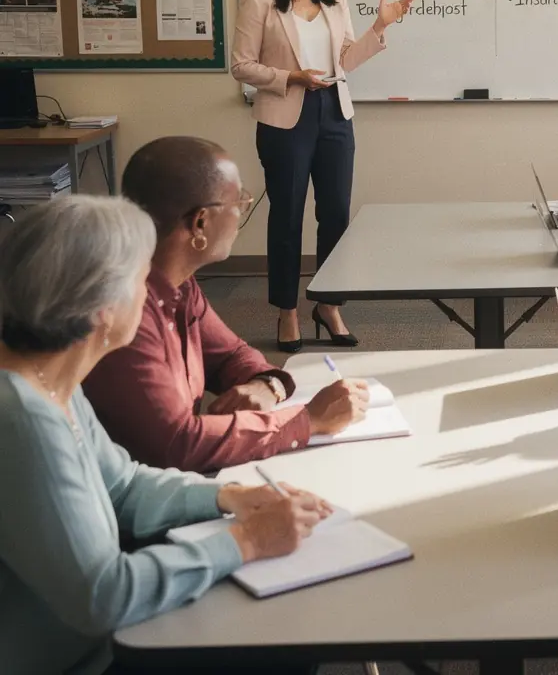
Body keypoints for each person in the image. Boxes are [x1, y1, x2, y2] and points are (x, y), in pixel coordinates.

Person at [0, 195, 332, 675]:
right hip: (81, 659)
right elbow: (104, 597)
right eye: (139, 281)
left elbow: (124, 484)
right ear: (102, 311)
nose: (148, 294)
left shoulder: (47, 379)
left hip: (94, 637)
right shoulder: (24, 419)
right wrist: (247, 542)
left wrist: (229, 496)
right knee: (288, 640)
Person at [84, 137, 370, 474]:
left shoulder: (178, 283)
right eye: (239, 202)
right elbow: (176, 446)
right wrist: (308, 420)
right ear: (200, 223)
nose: (241, 212)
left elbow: (231, 355)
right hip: (138, 502)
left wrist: (268, 385)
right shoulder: (123, 310)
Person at [231, 0, 416, 352]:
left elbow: (346, 60)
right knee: (287, 216)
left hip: (335, 113)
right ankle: (287, 311)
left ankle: (329, 304)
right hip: (285, 119)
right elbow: (241, 65)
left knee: (335, 213)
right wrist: (292, 77)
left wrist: (380, 27)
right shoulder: (259, 2)